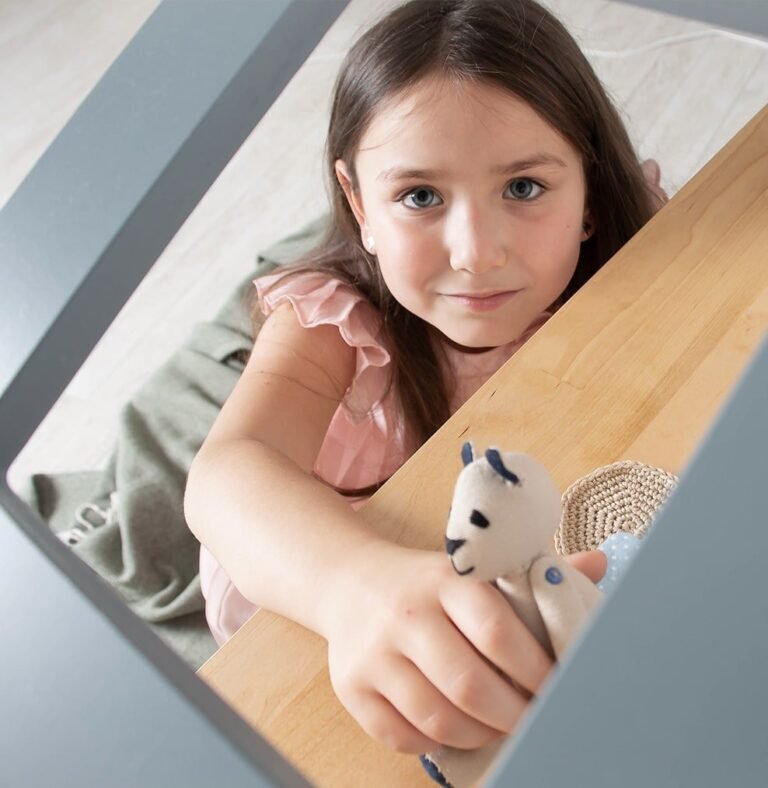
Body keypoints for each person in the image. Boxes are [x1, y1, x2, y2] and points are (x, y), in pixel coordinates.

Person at [184, 0, 668, 757]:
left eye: (523, 188)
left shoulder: (634, 256)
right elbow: (225, 475)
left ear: (589, 189)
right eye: (419, 197)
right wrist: (354, 588)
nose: (476, 253)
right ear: (358, 205)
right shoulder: (332, 322)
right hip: (326, 606)